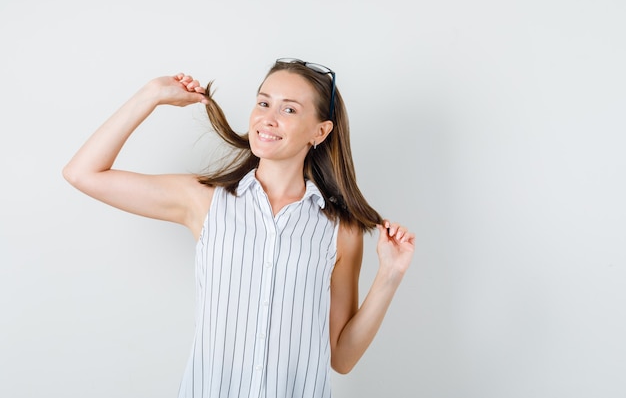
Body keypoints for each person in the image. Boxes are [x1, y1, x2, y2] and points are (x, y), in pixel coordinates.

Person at [63, 58, 415, 398]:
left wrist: (390, 275)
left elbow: (342, 358)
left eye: (289, 109)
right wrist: (151, 94)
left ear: (320, 132)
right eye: (264, 103)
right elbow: (83, 173)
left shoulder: (340, 230)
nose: (268, 118)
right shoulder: (203, 200)